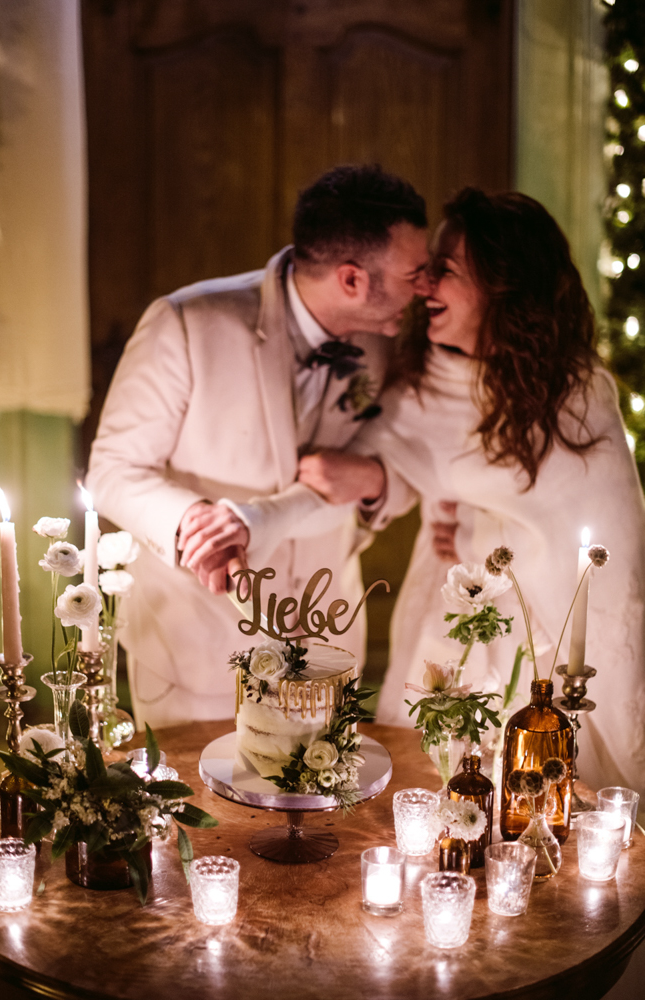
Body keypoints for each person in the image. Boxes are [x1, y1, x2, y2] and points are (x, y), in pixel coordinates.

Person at [294, 188, 645, 798]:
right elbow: (395, 463)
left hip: (548, 641)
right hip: (457, 615)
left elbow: (603, 536)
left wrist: (482, 527)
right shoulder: (424, 383)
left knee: (544, 800)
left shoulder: (578, 393)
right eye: (426, 268)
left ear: (502, 287)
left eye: (446, 271)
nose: (425, 285)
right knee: (436, 795)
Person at [86, 164, 430, 728]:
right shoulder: (187, 322)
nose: (423, 287)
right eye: (412, 273)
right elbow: (112, 470)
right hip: (197, 645)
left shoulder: (389, 342)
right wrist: (195, 521)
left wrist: (377, 482)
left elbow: (408, 461)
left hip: (328, 645)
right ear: (352, 280)